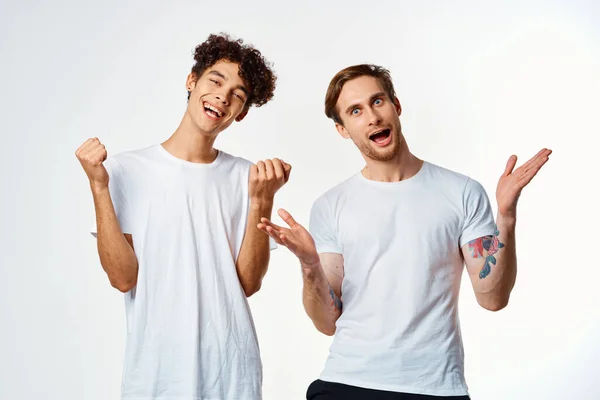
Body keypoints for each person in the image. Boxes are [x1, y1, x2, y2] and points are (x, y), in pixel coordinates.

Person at [258, 64, 551, 399]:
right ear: (342, 129)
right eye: (356, 111)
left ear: (396, 106)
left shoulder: (461, 192)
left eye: (377, 102)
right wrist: (310, 265)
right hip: (347, 383)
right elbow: (327, 323)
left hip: (436, 388)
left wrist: (506, 217)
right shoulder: (331, 204)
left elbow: (492, 298)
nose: (372, 117)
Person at [75, 34, 288, 400]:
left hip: (232, 374)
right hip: (156, 375)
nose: (223, 96)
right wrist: (99, 187)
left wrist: (261, 201)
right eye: (216, 80)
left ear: (242, 112)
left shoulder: (248, 177)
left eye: (237, 94)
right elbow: (123, 278)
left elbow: (248, 284)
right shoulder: (125, 170)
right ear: (192, 81)